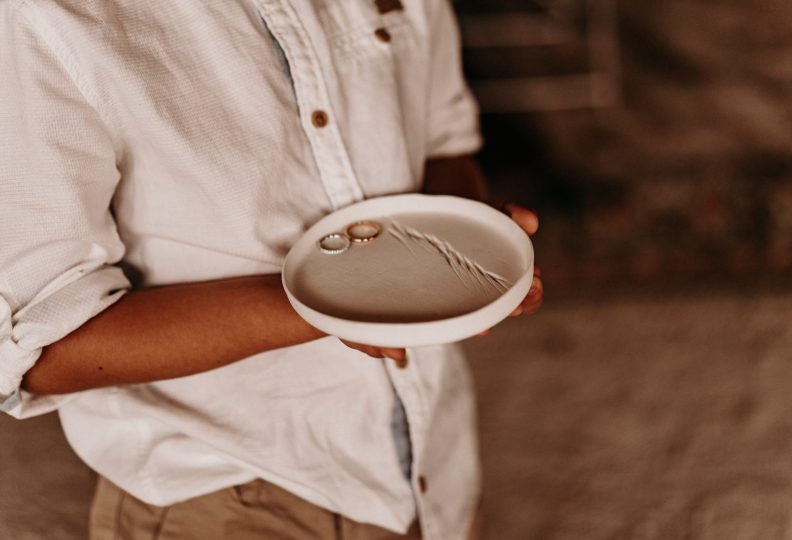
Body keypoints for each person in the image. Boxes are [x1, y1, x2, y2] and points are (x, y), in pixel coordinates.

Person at [0, 0, 543, 538]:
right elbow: (48, 347)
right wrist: (344, 302)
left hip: (435, 470)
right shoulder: (42, 17)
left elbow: (444, 143)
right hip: (222, 490)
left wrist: (465, 244)